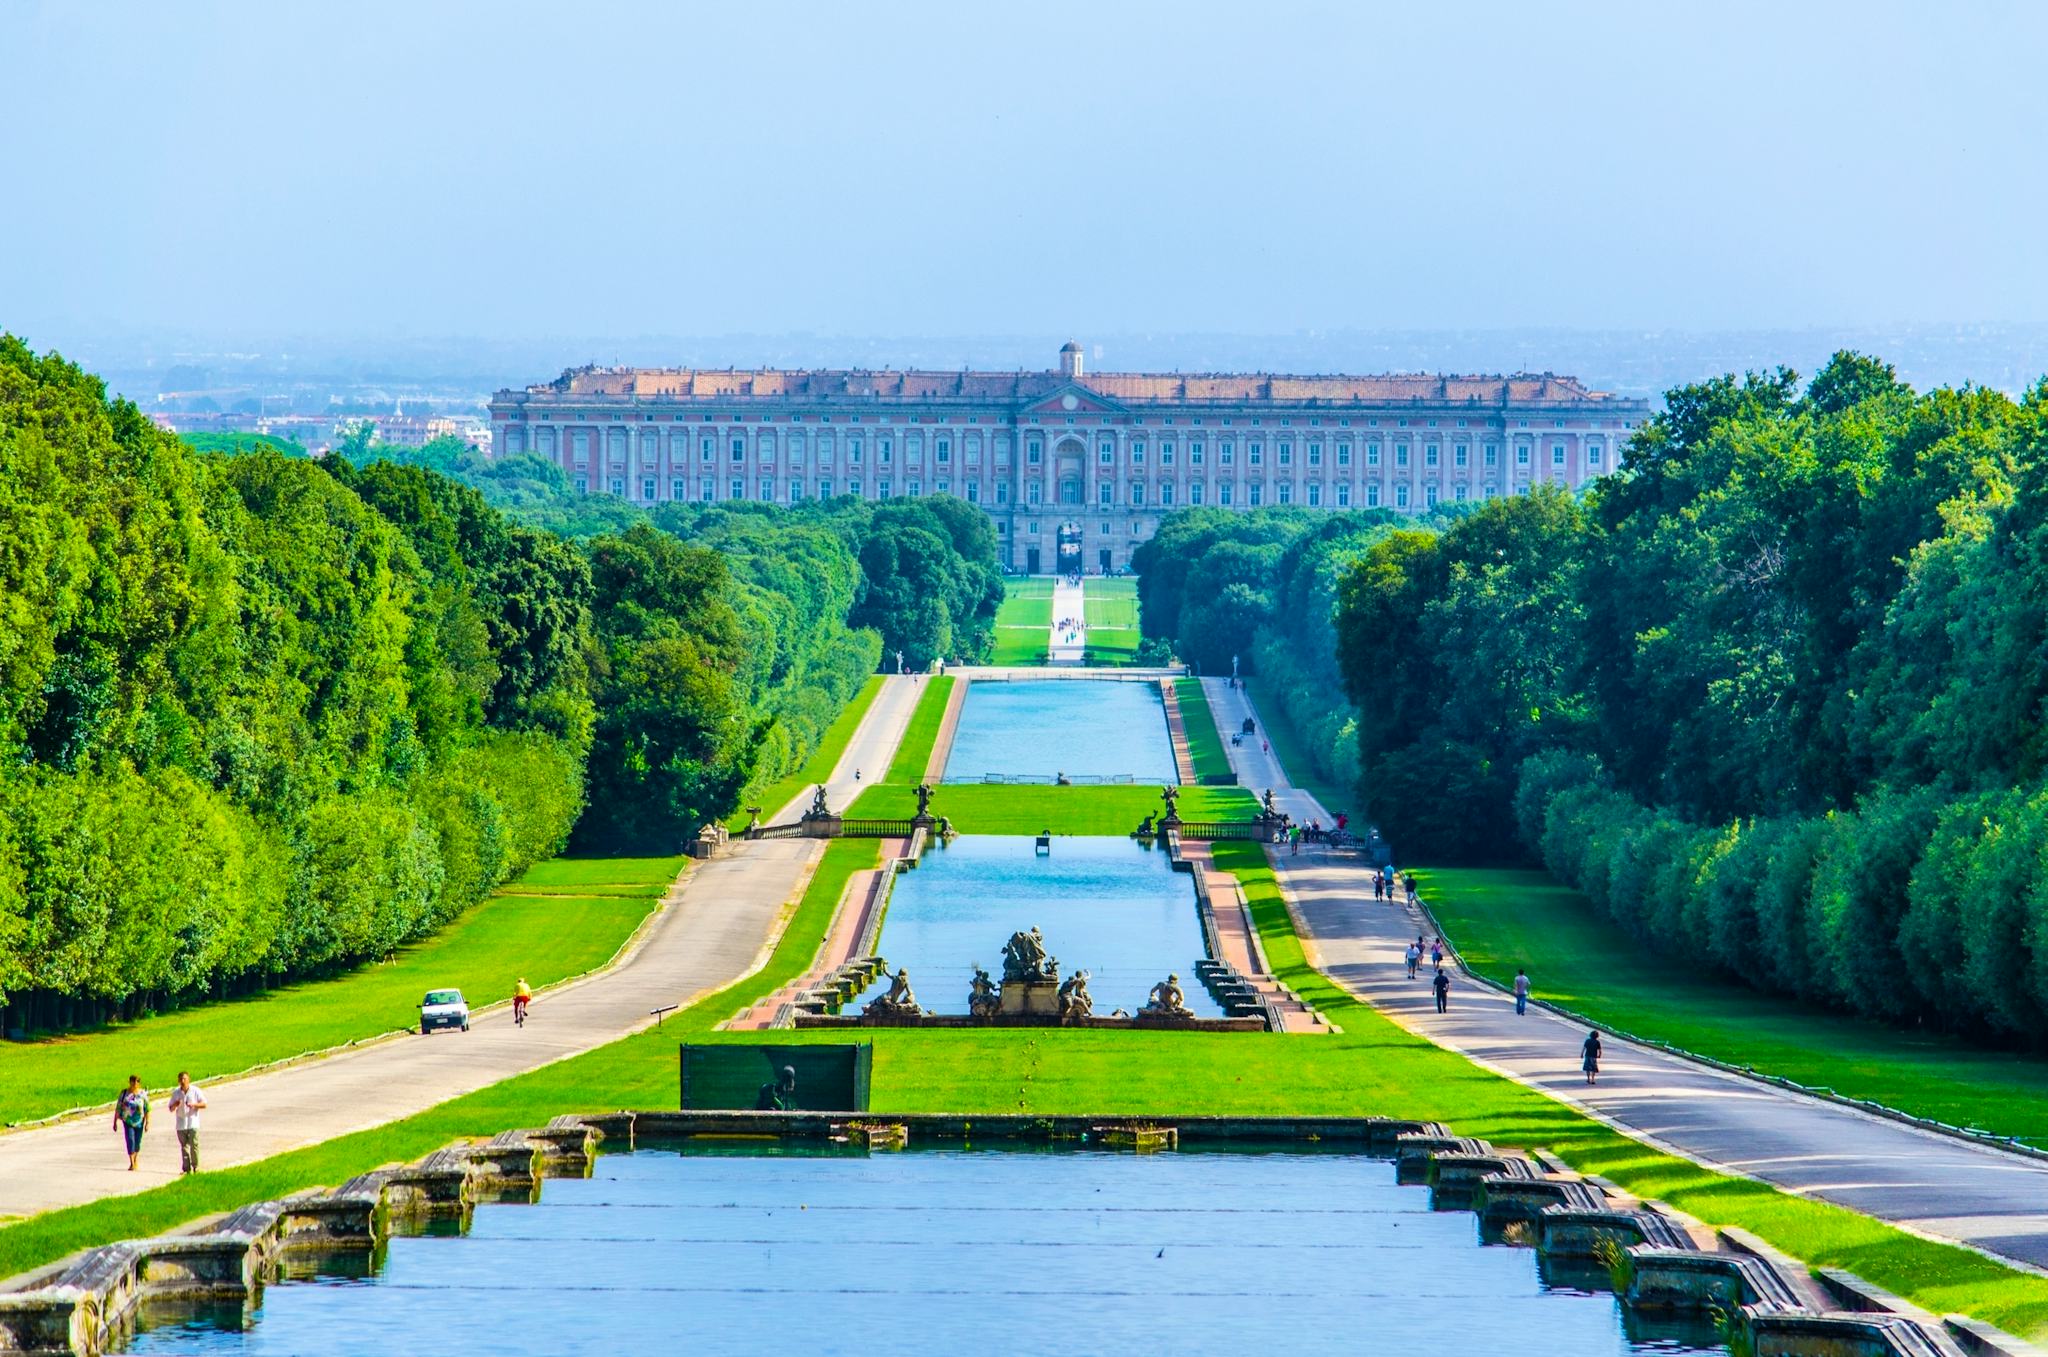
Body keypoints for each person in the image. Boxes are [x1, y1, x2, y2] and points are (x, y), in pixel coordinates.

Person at [167, 1071, 207, 1174]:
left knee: (194, 1145)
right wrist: (175, 1104)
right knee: (184, 1147)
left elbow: (204, 1104)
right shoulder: (176, 1093)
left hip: (193, 1122)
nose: (182, 1081)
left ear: (188, 1079)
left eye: (184, 1079)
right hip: (181, 1124)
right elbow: (170, 1108)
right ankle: (186, 1168)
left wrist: (194, 1105)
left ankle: (196, 1166)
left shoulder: (195, 1091)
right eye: (180, 1079)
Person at [113, 1075, 149, 1171]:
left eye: (137, 1081)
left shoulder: (142, 1094)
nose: (135, 1083)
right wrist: (115, 1122)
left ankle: (136, 1159)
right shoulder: (124, 1093)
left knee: (137, 1141)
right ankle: (132, 1162)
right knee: (130, 1140)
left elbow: (147, 1109)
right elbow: (118, 1107)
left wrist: (147, 1122)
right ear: (129, 1082)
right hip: (127, 1120)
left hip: (139, 1121)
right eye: (133, 1081)